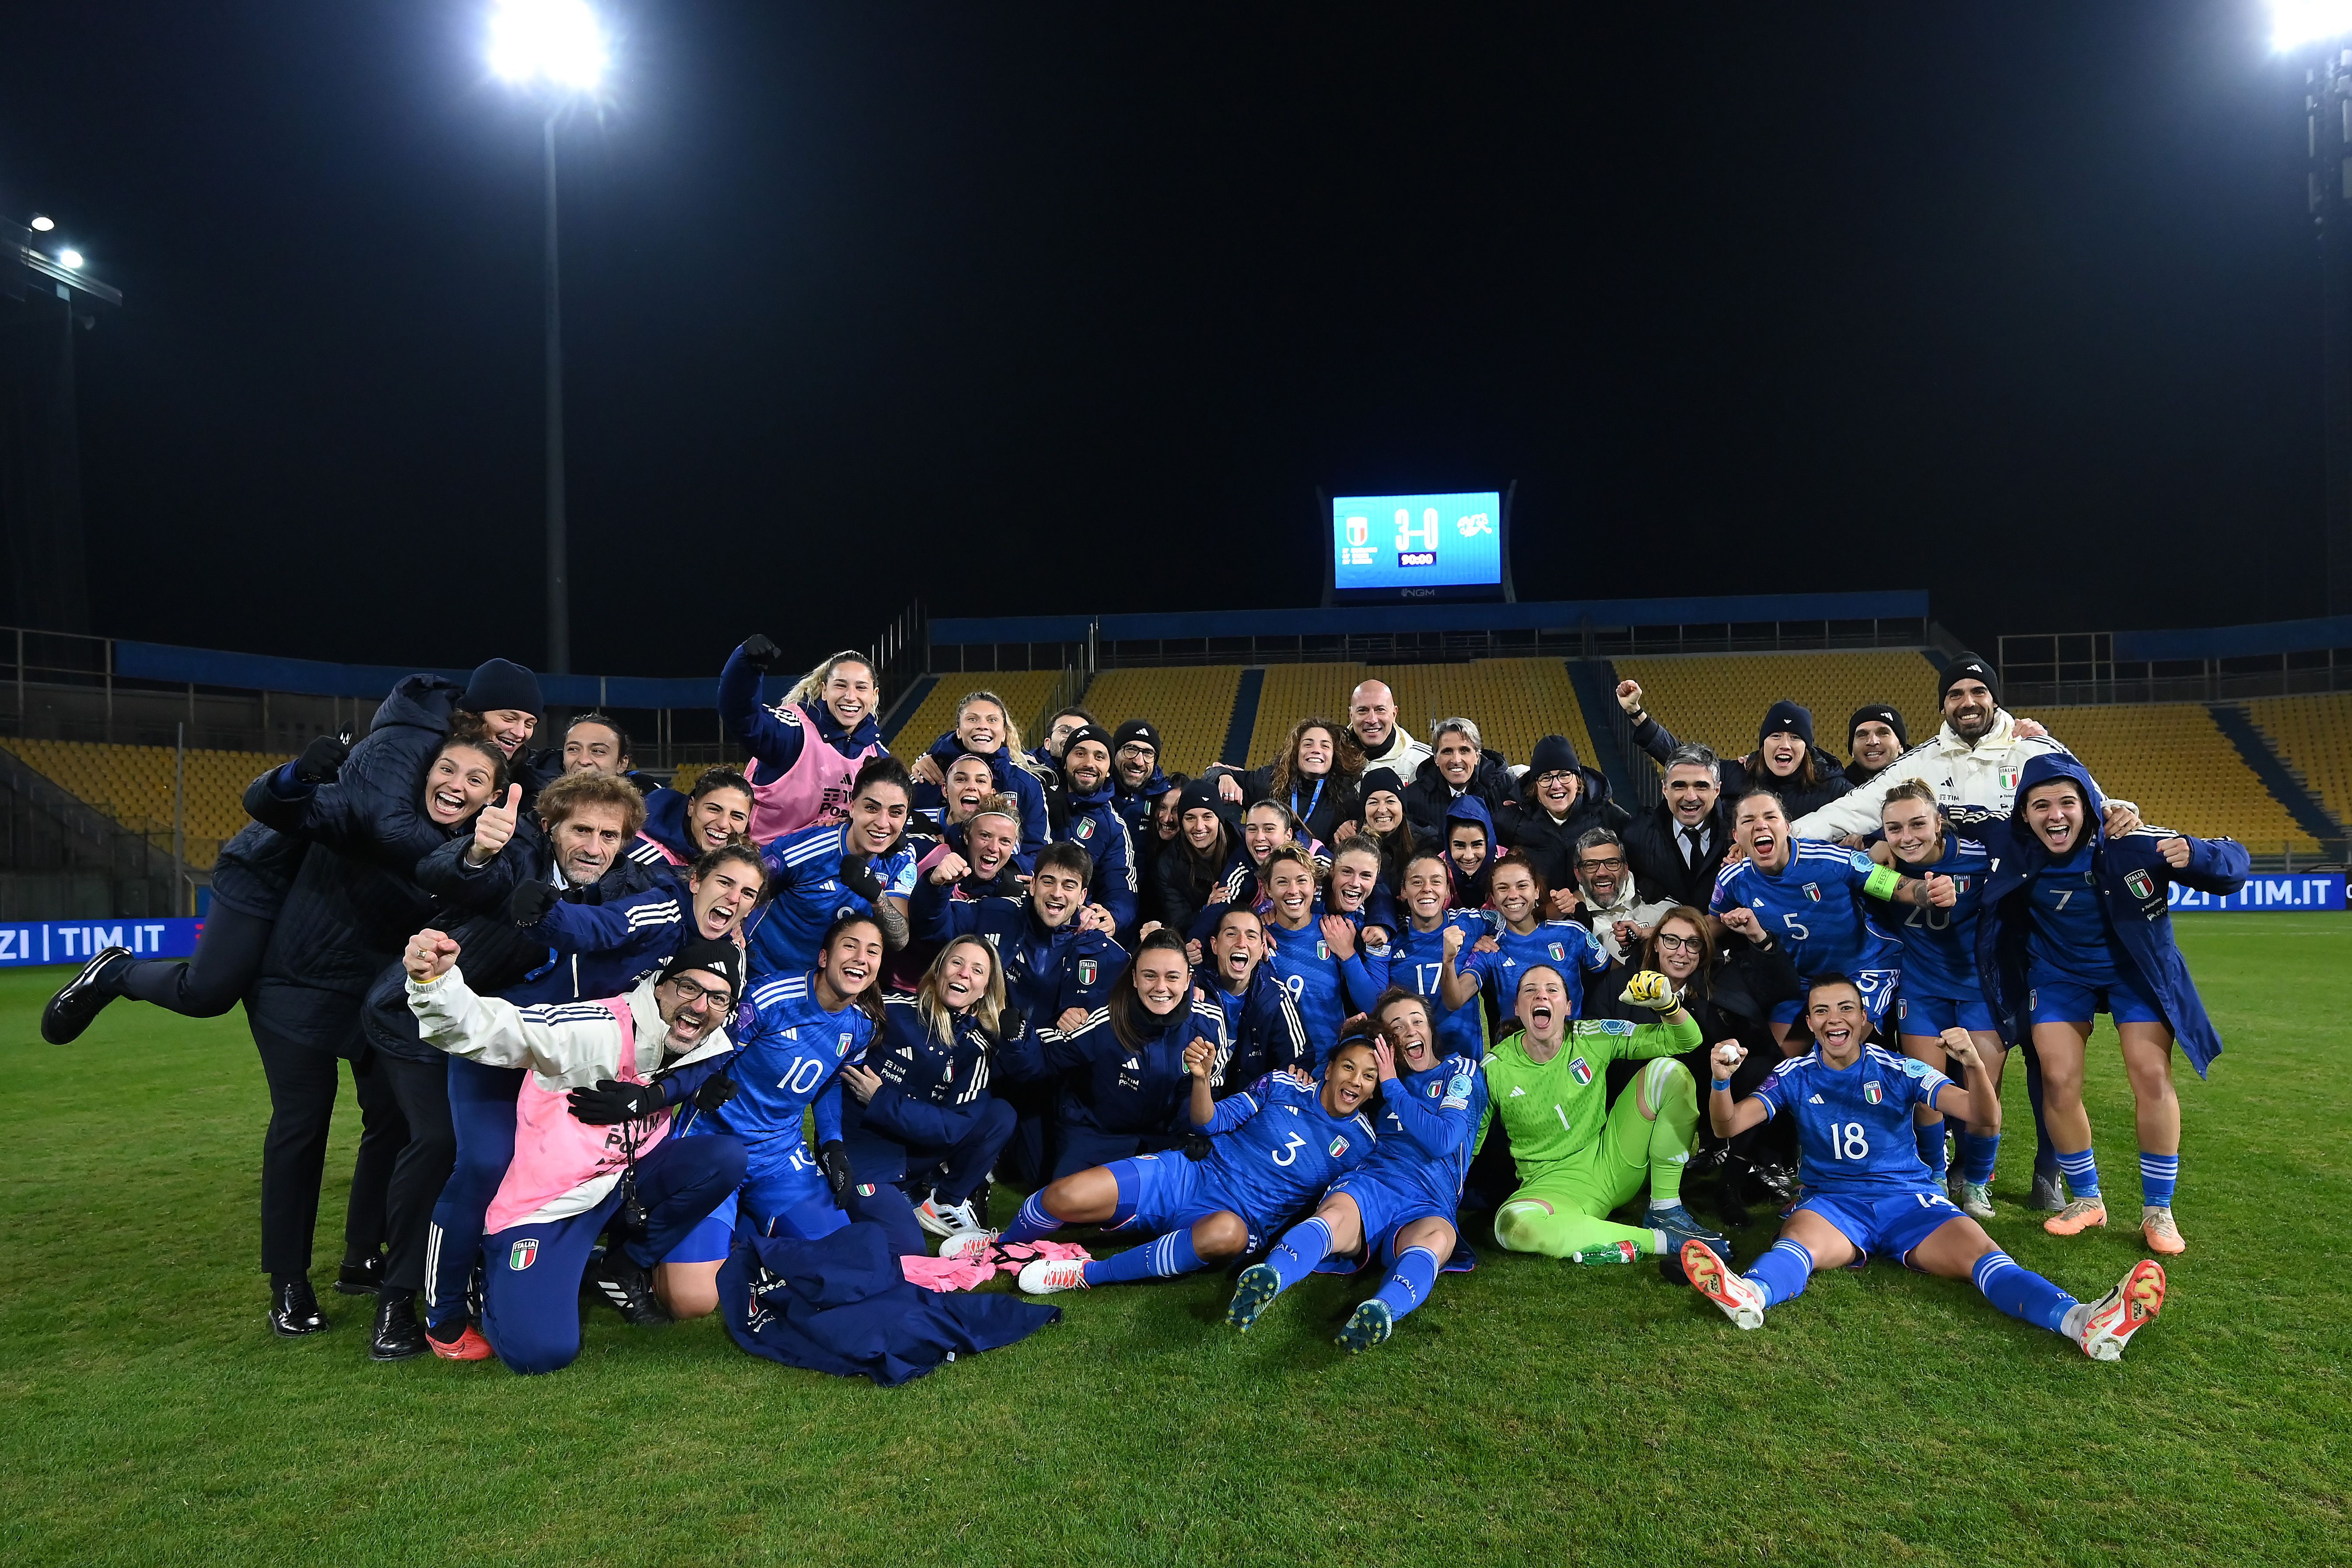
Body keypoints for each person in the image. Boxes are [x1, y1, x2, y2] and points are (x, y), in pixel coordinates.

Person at [1681, 975, 2169, 1363]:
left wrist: (1975, 1066)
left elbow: (1983, 1116)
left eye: (1846, 1008)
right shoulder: (1793, 1074)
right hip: (1834, 1204)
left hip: (1911, 1202)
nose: (1835, 1019)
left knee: (1988, 1258)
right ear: (1810, 1022)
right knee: (1798, 1242)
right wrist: (1721, 1082)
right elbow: (1727, 1126)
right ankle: (1750, 1293)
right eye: (1823, 1010)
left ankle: (2084, 1320)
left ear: (1866, 1020)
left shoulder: (1899, 1068)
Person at [231, 683, 486, 1338]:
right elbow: (275, 805)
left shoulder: (472, 857)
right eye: (446, 771)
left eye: (475, 779)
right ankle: (287, 1283)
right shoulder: (367, 810)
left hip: (382, 1000)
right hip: (303, 984)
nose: (456, 786)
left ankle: (363, 1260)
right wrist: (297, 774)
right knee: (302, 1125)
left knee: (402, 1127)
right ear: (423, 773)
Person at [396, 769, 675, 1360]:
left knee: (595, 1170)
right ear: (550, 828)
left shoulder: (635, 888)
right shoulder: (511, 861)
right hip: (496, 1051)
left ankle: (557, 1273)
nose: (594, 847)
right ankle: (444, 1316)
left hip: (571, 1066)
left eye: (609, 834)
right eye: (581, 830)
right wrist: (474, 852)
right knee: (486, 1165)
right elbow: (445, 875)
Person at [401, 931, 747, 1374]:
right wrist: (435, 986)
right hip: (549, 1205)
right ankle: (491, 1276)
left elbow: (703, 1062)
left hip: (620, 1186)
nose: (700, 1005)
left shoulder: (707, 1037)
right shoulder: (596, 1027)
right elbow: (499, 1029)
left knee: (724, 1158)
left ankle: (620, 1267)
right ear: (661, 982)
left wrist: (655, 1096)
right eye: (689, 987)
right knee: (540, 1353)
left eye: (717, 998)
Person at [1976, 754, 2248, 1256]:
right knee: (2056, 1076)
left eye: (2066, 802)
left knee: (2150, 1073)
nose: (2055, 815)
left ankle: (2158, 1210)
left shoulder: (2133, 842)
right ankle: (2086, 1200)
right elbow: (1947, 823)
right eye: (2040, 805)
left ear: (2089, 806)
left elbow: (2234, 863)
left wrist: (2197, 852)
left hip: (2134, 971)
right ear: (2024, 814)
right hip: (2058, 974)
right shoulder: (2013, 847)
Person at [972, 1029, 1381, 1297]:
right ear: (1328, 1069)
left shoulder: (1364, 1144)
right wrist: (1201, 1079)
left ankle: (1086, 1273)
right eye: (1348, 1067)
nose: (1355, 1081)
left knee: (1226, 1234)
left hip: (1239, 1219)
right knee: (1064, 1194)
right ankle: (1001, 1247)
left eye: (1368, 1076)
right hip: (1189, 1173)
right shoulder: (1281, 1084)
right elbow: (1209, 1122)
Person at [654, 916, 890, 1320]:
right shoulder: (771, 998)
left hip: (780, 1156)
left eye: (873, 951)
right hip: (713, 1147)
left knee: (845, 1263)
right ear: (824, 956)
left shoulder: (861, 1027)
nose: (861, 959)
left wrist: (831, 1142)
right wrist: (700, 1089)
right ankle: (672, 1247)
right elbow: (711, 1052)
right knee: (691, 1303)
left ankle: (743, 1224)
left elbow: (831, 1081)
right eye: (850, 946)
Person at [1225, 990, 1486, 1350]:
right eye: (1398, 1026)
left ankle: (1382, 1309)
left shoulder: (1460, 1074)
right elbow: (1330, 1089)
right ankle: (1269, 1277)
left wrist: (1392, 1084)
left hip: (1431, 1199)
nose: (1409, 1031)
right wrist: (1343, 1043)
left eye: (1417, 1021)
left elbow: (1443, 1140)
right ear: (1388, 1044)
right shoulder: (1376, 1080)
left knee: (1437, 1241)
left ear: (1430, 1028)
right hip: (1374, 1182)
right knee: (1335, 1216)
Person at [913, 839, 1128, 1186]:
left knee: (1034, 1175)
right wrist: (935, 887)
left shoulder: (1105, 952)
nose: (1057, 893)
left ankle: (996, 1146)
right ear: (1033, 883)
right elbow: (932, 925)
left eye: (1069, 885)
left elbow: (1133, 1000)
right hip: (980, 1055)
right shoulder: (997, 912)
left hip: (1042, 1073)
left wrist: (1084, 1016)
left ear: (1084, 894)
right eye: (1048, 881)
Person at [1479, 964, 1726, 1266]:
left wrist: (1668, 1006)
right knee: (1512, 1226)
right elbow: (1467, 1143)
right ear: (1518, 1008)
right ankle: (1663, 1240)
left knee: (1669, 1073)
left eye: (1552, 990)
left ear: (1568, 1008)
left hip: (1612, 1163)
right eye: (1530, 991)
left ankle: (1665, 1209)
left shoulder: (1590, 1036)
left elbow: (1687, 1041)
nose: (1541, 995)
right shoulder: (1494, 1068)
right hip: (1552, 1190)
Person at [1785, 651, 2141, 842]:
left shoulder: (2037, 748)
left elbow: (2095, 801)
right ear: (1943, 706)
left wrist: (2119, 809)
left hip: (2028, 903)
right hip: (1953, 903)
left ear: (1995, 700)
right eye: (1955, 695)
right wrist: (1785, 835)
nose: (1967, 702)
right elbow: (1848, 811)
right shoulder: (1921, 761)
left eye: (1978, 692)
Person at [1595, 906, 1802, 1229]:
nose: (1681, 952)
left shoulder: (1720, 980)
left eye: (1693, 944)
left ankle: (1729, 1184)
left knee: (1761, 1069)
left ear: (1704, 951)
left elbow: (1784, 987)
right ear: (1656, 944)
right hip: (1643, 1097)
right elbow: (1597, 1051)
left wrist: (1757, 937)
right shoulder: (1621, 985)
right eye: (1672, 941)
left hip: (1713, 1094)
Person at [992, 929, 1231, 1179]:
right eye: (1150, 976)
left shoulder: (1209, 1023)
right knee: (1064, 1206)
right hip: (1098, 1134)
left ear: (1188, 980)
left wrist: (1193, 1131)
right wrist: (1016, 1038)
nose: (1161, 987)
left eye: (1173, 977)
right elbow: (1045, 1059)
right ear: (1135, 978)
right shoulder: (1106, 1022)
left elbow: (1209, 1089)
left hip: (1163, 1140)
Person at [1870, 780, 2005, 1218]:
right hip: (1920, 990)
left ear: (1938, 821)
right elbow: (1845, 866)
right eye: (1894, 828)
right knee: (1927, 1090)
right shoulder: (1880, 868)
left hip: (1979, 989)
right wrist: (1867, 850)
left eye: (1917, 824)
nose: (1907, 836)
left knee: (1982, 1089)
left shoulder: (1978, 858)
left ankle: (1979, 1184)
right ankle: (1932, 1177)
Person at [839, 936, 1024, 1245]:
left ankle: (945, 1202)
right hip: (865, 1157)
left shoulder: (977, 1049)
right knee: (907, 1250)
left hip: (915, 1156)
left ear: (984, 991)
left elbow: (951, 1129)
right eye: (957, 963)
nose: (964, 973)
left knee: (998, 1114)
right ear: (938, 972)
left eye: (977, 971)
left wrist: (882, 1100)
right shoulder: (888, 1011)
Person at [1710, 788, 1905, 1047]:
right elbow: (1711, 925)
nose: (1760, 825)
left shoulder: (1831, 860)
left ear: (1788, 827)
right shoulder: (1733, 879)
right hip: (1800, 980)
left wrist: (1930, 891)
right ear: (1737, 836)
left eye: (1770, 817)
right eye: (1748, 821)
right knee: (1782, 1062)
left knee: (1838, 1048)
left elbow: (1897, 886)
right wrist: (1660, 934)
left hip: (1862, 968)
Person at [745, 754, 918, 976]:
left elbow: (900, 939)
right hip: (767, 974)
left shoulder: (900, 860)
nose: (883, 823)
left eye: (895, 813)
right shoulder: (806, 849)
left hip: (831, 989)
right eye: (872, 808)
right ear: (852, 807)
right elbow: (747, 883)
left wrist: (877, 896)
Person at [718, 637, 884, 842]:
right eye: (840, 686)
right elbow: (743, 717)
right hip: (762, 863)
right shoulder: (793, 732)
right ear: (824, 691)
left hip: (827, 867)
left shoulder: (877, 755)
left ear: (874, 695)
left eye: (861, 688)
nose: (850, 696)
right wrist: (745, 667)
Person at [1616, 683, 1851, 820]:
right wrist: (1637, 713)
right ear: (1763, 744)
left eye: (1796, 738)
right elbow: (1684, 760)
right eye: (1776, 736)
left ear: (1807, 749)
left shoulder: (1834, 788)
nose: (1785, 745)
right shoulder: (1736, 773)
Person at [1442, 852, 1610, 1024]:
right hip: (1516, 1048)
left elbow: (1611, 974)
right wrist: (1448, 961)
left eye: (1522, 886)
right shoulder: (1490, 949)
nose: (1513, 895)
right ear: (1493, 897)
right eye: (1503, 888)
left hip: (1571, 1046)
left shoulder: (1572, 933)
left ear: (1536, 891)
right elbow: (1455, 1001)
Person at [1258, 844, 1388, 1065]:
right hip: (1278, 1070)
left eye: (1302, 881)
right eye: (1282, 882)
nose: (1293, 890)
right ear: (1267, 890)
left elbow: (1374, 1005)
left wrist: (1349, 956)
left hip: (1331, 1066)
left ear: (1314, 884)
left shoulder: (1339, 930)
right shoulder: (1256, 939)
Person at [904, 690, 1052, 863]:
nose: (982, 726)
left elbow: (1038, 850)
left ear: (1004, 733)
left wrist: (1008, 874)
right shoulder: (930, 772)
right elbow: (897, 822)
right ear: (959, 731)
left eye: (992, 720)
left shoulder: (1026, 784)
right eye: (973, 719)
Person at [1194, 901, 1311, 1085]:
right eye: (1232, 934)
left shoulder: (1276, 998)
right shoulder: (1192, 990)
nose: (1241, 943)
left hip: (1251, 1106)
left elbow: (1298, 1063)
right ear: (1215, 945)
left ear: (1261, 948)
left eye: (1251, 936)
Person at [1497, 734, 1628, 897]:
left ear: (1578, 781)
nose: (1556, 785)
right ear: (1535, 787)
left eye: (1565, 775)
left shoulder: (1608, 816)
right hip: (1538, 917)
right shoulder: (1512, 820)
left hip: (1596, 915)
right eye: (1546, 778)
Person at [1390, 850, 1489, 1060]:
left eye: (1436, 882)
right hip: (1411, 1067)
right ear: (1404, 891)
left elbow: (1514, 919)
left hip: (1464, 1064)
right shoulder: (1392, 937)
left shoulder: (1469, 922)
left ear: (1447, 892)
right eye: (1417, 883)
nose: (1427, 889)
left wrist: (1494, 940)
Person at [1209, 716, 1363, 847]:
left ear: (1334, 755)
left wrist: (1351, 826)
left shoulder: (1346, 795)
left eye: (1325, 746)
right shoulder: (1268, 779)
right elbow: (1209, 777)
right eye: (1308, 744)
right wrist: (1224, 776)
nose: (1316, 750)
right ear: (1296, 751)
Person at [1620, 744, 1735, 911]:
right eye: (1679, 786)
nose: (1690, 796)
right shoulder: (1635, 837)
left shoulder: (1741, 832)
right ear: (1665, 789)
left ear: (1717, 789)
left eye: (1701, 786)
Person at [1050, 723, 1140, 934]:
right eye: (1080, 753)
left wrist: (1112, 916)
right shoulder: (1039, 798)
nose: (1089, 763)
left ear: (1109, 770)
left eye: (1100, 757)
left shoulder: (1114, 828)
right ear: (1065, 762)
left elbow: (1122, 887)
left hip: (1075, 925)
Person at [1563, 827, 1673, 963]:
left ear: (1625, 869)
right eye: (1591, 865)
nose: (1602, 873)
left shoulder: (1661, 905)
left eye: (1612, 863)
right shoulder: (1570, 926)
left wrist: (1648, 933)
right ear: (1578, 874)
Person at [1402, 718, 1516, 847]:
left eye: (1464, 750)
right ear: (1436, 759)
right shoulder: (1413, 798)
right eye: (1447, 751)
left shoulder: (1507, 788)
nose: (1456, 760)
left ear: (1477, 756)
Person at [626, 766, 755, 871]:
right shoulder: (642, 855)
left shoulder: (739, 862)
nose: (723, 824)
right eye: (714, 809)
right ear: (691, 807)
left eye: (737, 817)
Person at [1155, 779, 1237, 935]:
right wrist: (1207, 908)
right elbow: (1178, 921)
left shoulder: (1242, 844)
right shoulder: (1167, 865)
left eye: (1207, 817)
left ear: (1219, 819)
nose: (1199, 827)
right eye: (1190, 818)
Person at [1346, 678, 1432, 780]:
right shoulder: (1332, 758)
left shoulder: (1425, 761)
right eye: (1363, 711)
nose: (1372, 720)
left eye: (1380, 710)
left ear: (1394, 714)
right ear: (1351, 715)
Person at [1107, 719, 1172, 852]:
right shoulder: (1095, 789)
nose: (1139, 762)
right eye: (1131, 750)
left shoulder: (1165, 795)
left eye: (1148, 753)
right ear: (1115, 753)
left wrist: (1221, 774)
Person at [1355, 768, 1417, 892]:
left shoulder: (1425, 843)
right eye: (1373, 802)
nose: (1382, 810)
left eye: (1390, 801)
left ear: (1403, 808)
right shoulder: (1350, 844)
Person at [1439, 794, 1500, 911]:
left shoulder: (1509, 864)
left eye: (1477, 845)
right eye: (1459, 846)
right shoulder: (1436, 871)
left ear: (1489, 842)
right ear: (1448, 844)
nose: (1469, 856)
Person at [1843, 704, 1908, 790]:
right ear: (1852, 751)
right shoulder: (1836, 794)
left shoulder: (1927, 780)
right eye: (1862, 735)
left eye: (1883, 733)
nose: (1872, 742)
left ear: (1901, 746)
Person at [1032, 706, 1096, 771]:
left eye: (1081, 733)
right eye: (1065, 731)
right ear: (1048, 744)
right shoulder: (1026, 767)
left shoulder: (1095, 773)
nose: (1073, 737)